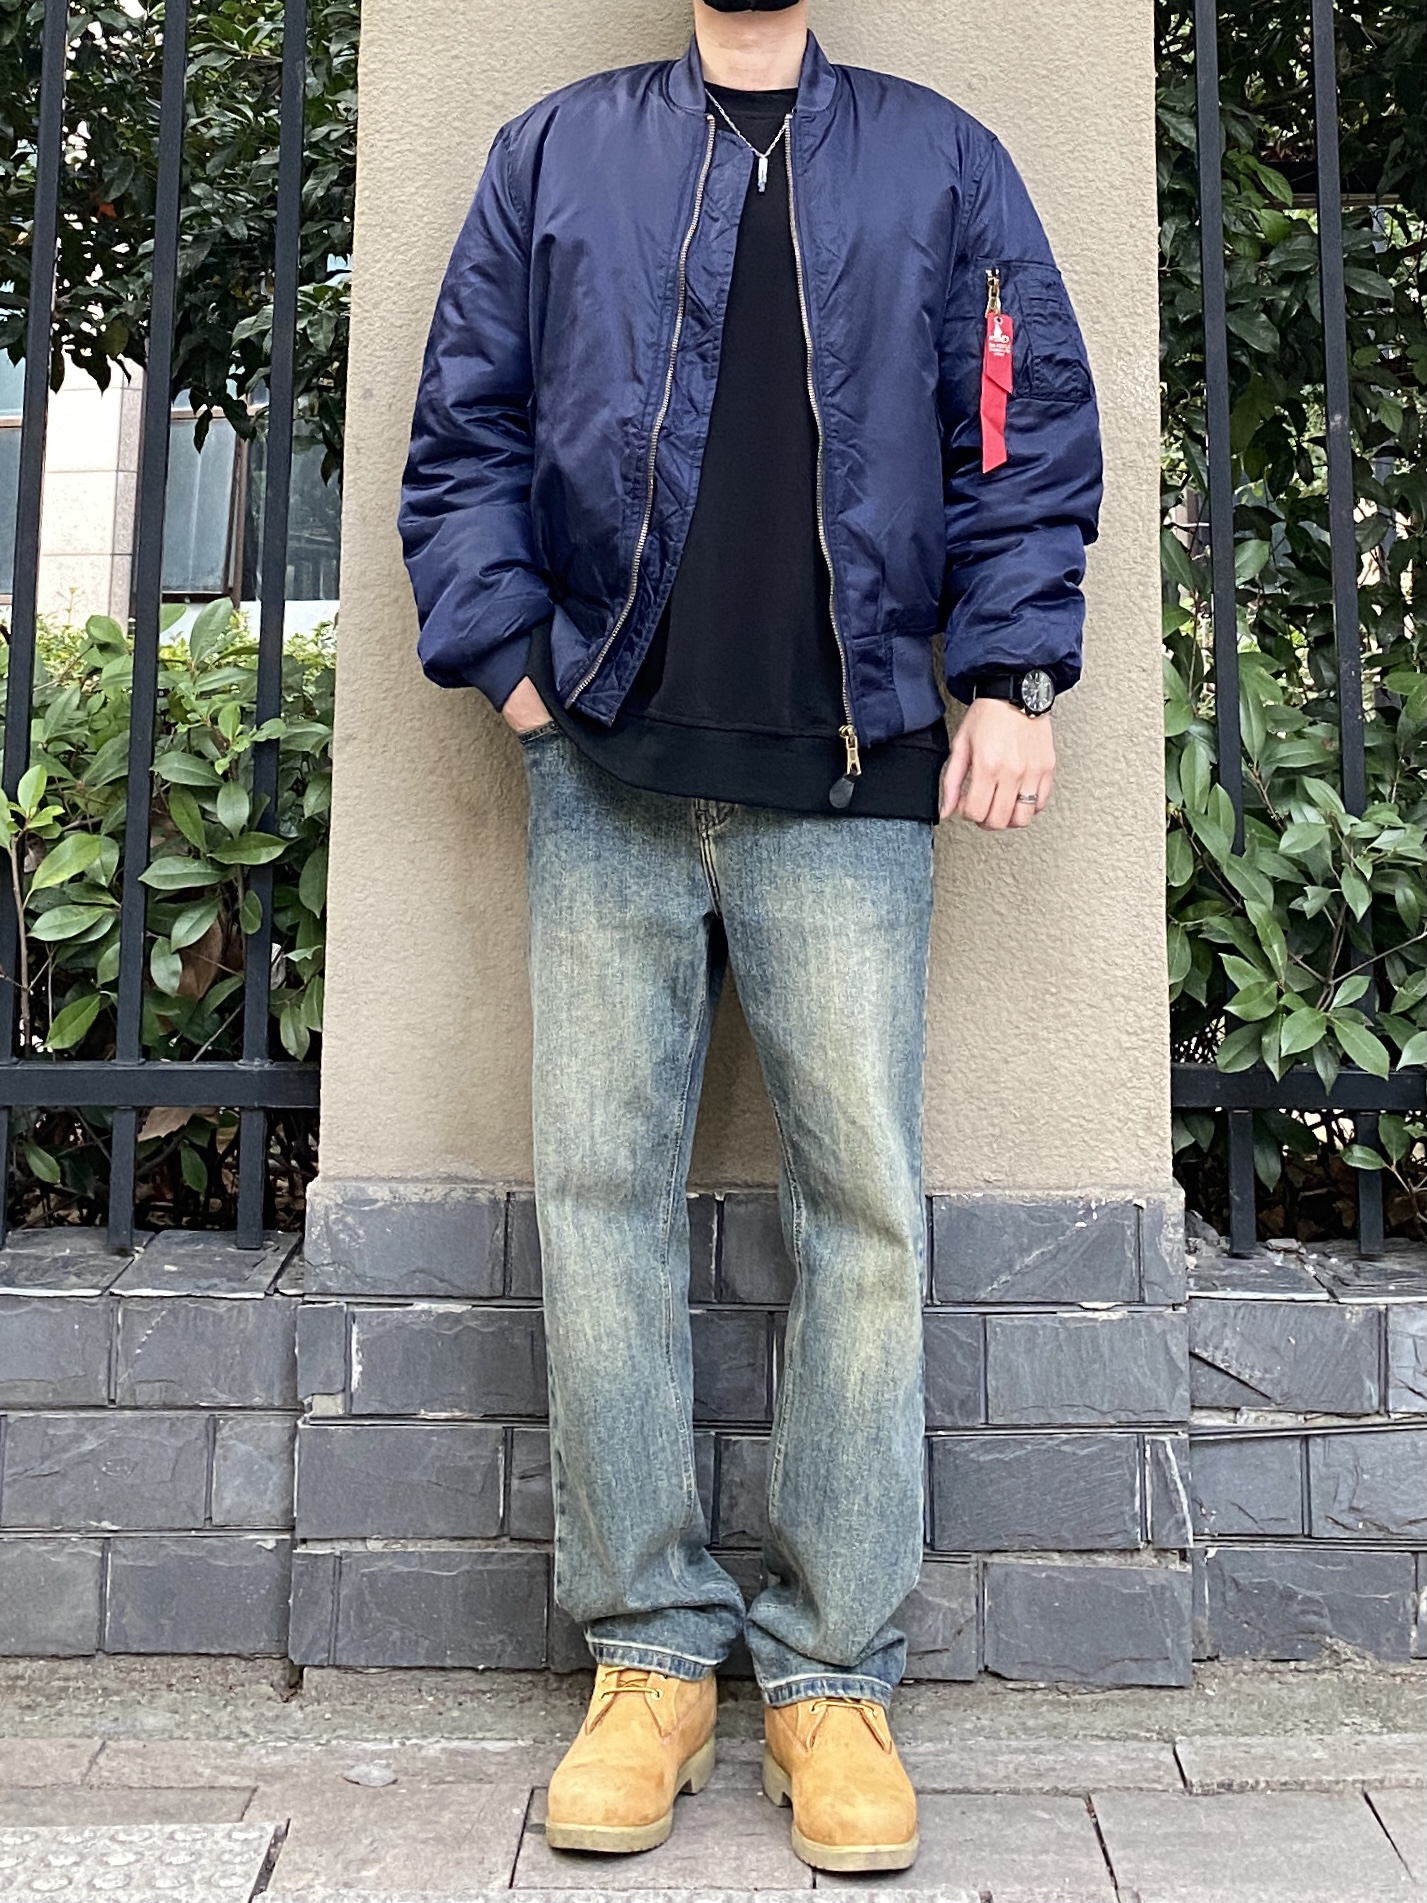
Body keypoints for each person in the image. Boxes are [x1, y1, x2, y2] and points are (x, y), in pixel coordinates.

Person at [400, 0, 1102, 1875]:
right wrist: (518, 673)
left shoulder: (944, 160)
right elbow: (464, 430)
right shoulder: (556, 154)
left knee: (864, 1216)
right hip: (606, 769)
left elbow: (1019, 430)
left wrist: (1014, 675)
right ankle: (648, 1658)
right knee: (598, 1200)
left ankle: (832, 1679)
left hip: (854, 773)